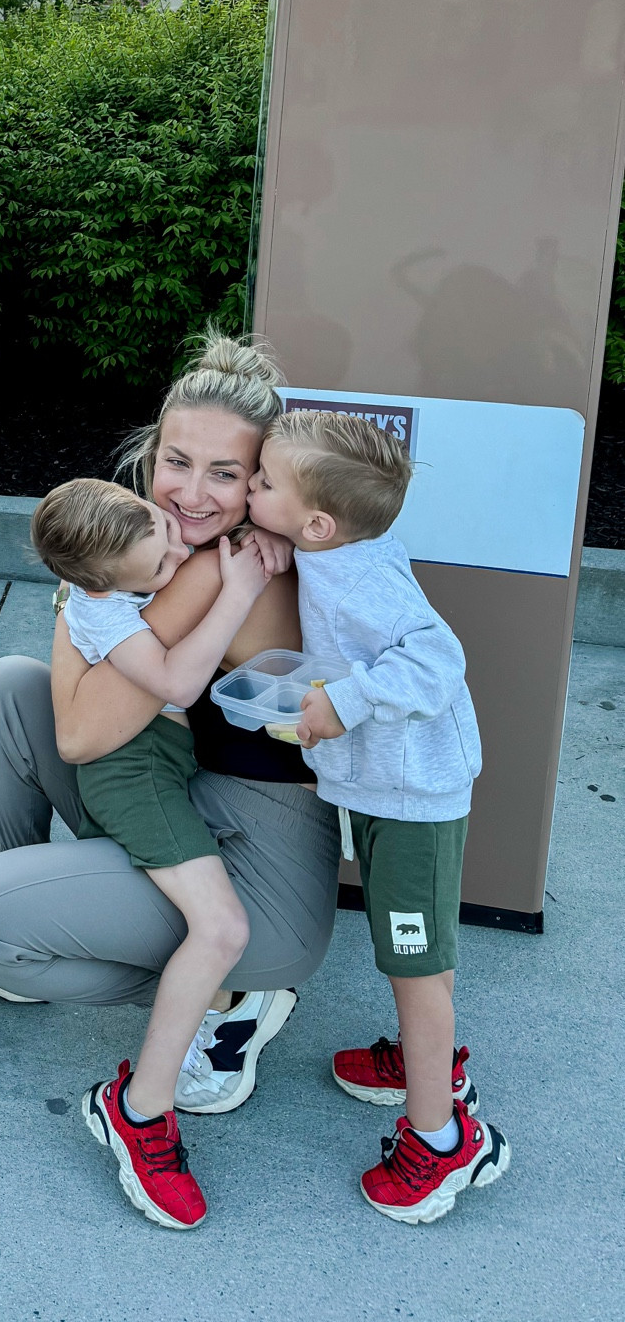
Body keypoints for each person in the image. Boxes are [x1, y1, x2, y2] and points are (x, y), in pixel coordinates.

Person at [0, 333, 342, 1226]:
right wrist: (87, 590)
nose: (192, 493)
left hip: (266, 888)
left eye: (225, 473)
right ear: (151, 451)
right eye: (176, 462)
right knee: (9, 687)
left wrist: (83, 594)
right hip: (191, 796)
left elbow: (85, 733)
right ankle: (31, 923)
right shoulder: (156, 543)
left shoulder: (215, 566)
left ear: (263, 481)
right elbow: (71, 703)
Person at [247, 410, 510, 1224]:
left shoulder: (363, 580)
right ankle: (421, 1066)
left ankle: (440, 1141)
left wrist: (344, 701)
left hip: (415, 803)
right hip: (389, 791)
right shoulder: (338, 551)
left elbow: (437, 660)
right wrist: (283, 543)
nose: (247, 486)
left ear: (318, 522)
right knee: (409, 953)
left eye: (261, 482)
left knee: (415, 962)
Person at [29, 478, 272, 1228]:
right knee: (222, 929)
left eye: (162, 528)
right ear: (100, 582)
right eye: (162, 562)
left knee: (200, 920)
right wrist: (237, 589)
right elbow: (176, 679)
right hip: (132, 772)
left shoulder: (121, 559)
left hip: (157, 760)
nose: (178, 546)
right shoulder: (99, 610)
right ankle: (139, 1110)